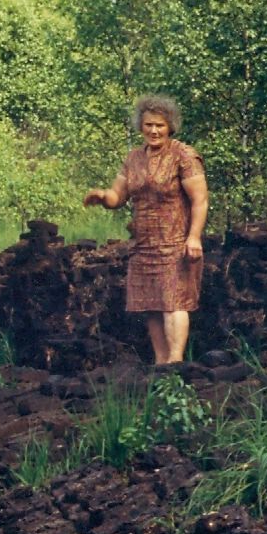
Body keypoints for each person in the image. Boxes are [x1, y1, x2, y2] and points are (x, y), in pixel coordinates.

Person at [85, 95, 209, 365]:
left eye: (160, 126)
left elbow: (200, 200)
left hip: (176, 243)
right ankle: (161, 364)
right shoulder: (133, 159)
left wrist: (194, 237)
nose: (154, 131)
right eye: (148, 125)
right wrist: (102, 196)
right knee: (151, 305)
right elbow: (118, 197)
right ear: (140, 127)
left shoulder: (184, 156)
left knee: (173, 303)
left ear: (170, 127)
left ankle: (175, 364)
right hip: (144, 245)